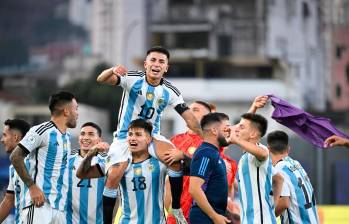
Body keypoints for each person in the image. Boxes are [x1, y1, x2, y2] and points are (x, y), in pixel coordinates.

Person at [97, 46, 201, 223]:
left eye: (161, 62)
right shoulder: (132, 78)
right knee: (115, 174)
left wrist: (205, 138)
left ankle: (175, 208)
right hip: (125, 137)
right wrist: (112, 70)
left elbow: (189, 117)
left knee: (174, 159)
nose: (156, 64)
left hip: (152, 137)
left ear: (166, 67)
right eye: (153, 60)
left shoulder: (171, 91)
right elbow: (101, 79)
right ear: (146, 64)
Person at [77, 119, 170, 223]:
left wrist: (181, 156)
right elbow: (82, 174)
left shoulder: (160, 163)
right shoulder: (117, 163)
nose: (133, 138)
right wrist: (91, 152)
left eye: (138, 134)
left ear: (148, 139)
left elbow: (186, 170)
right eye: (130, 134)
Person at [10, 91, 78, 223]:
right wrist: (32, 187)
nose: (77, 113)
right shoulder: (42, 130)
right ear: (66, 111)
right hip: (39, 207)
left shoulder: (67, 138)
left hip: (59, 209)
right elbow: (15, 156)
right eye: (76, 109)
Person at [165, 101, 238, 224]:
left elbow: (240, 131)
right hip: (184, 211)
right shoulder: (175, 141)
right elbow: (168, 180)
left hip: (202, 210)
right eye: (189, 109)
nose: (189, 112)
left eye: (195, 110)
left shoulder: (209, 144)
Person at [228, 113, 283, 224]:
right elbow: (278, 179)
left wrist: (236, 140)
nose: (236, 129)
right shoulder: (246, 156)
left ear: (253, 134)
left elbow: (263, 154)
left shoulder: (260, 151)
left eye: (241, 127)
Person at [267, 130, 319, 224]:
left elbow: (284, 202)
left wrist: (266, 216)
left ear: (268, 149)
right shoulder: (297, 164)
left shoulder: (279, 170)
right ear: (288, 149)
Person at [188, 112, 232, 224]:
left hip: (212, 216)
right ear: (214, 130)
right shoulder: (206, 153)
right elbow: (194, 189)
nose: (229, 133)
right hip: (204, 218)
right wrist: (214, 216)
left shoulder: (213, 152)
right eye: (226, 129)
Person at [66, 122, 108, 224]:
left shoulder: (106, 161)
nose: (85, 137)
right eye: (83, 134)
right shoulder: (66, 159)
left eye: (91, 134)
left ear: (99, 140)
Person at [0, 119, 30, 223]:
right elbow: (8, 201)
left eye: (4, 135)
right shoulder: (13, 168)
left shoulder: (36, 162)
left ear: (16, 137)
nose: (2, 140)